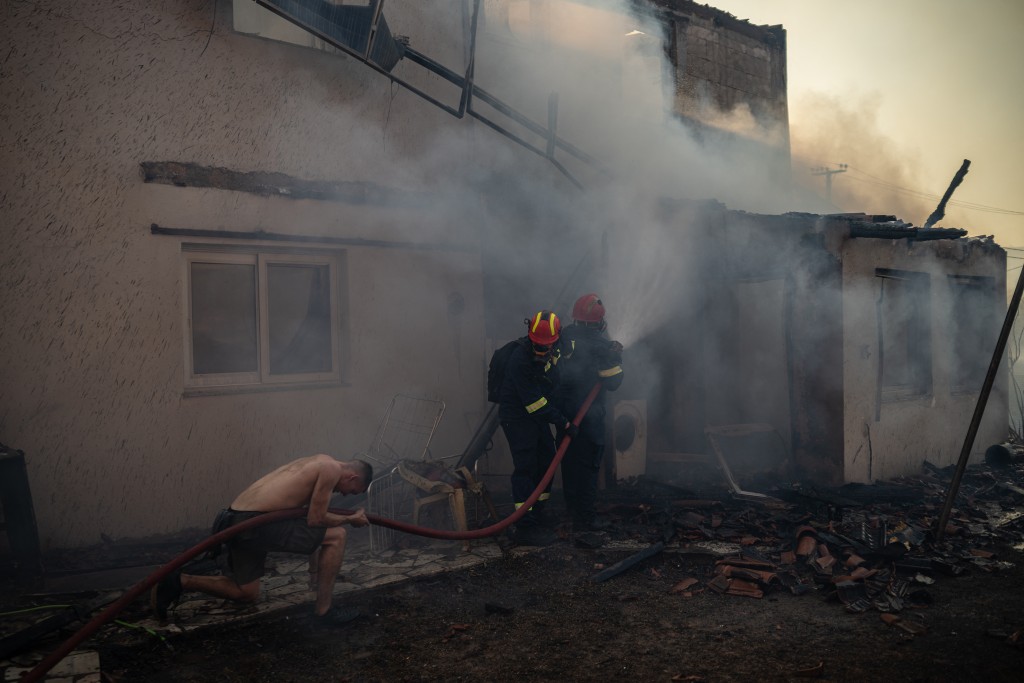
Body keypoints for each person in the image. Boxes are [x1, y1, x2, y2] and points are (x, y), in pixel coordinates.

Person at [150, 454, 373, 626]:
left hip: (235, 519)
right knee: (337, 536)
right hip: (255, 523)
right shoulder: (332, 469)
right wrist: (351, 519)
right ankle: (324, 612)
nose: (346, 496)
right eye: (352, 491)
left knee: (246, 593)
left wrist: (314, 573)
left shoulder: (320, 461)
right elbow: (316, 519)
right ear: (352, 477)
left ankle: (178, 580)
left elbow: (308, 515)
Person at [497, 310, 578, 546]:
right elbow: (534, 404)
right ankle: (524, 526)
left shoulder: (561, 343)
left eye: (546, 347)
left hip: (538, 416)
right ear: (529, 337)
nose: (541, 351)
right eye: (537, 346)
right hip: (519, 417)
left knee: (547, 461)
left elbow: (570, 353)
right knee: (527, 466)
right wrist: (563, 422)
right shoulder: (519, 360)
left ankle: (537, 513)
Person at [554, 294, 624, 539]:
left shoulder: (562, 336)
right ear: (599, 322)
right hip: (588, 416)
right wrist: (616, 358)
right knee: (589, 466)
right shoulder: (601, 346)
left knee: (569, 463)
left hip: (563, 415)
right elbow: (613, 381)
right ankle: (585, 519)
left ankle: (572, 511)